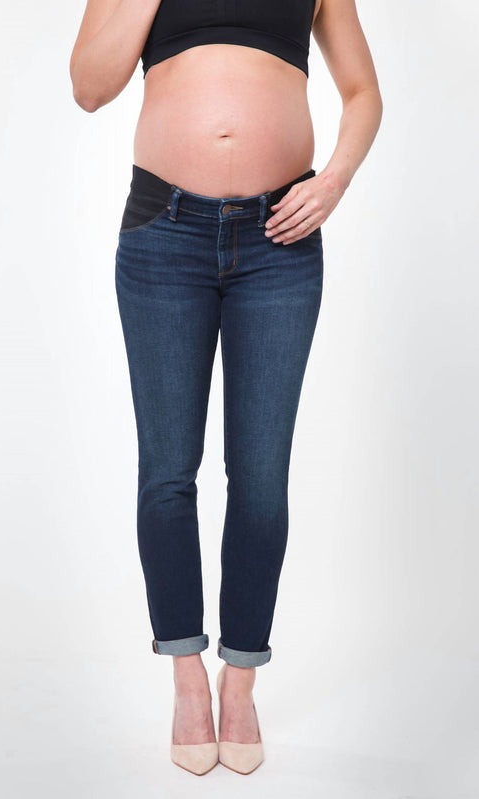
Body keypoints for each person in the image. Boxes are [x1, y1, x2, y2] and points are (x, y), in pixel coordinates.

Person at [70, 0, 383, 776]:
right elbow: (89, 87)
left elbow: (361, 91)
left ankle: (239, 681)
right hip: (163, 236)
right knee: (166, 474)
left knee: (262, 479)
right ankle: (186, 679)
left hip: (280, 243)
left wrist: (334, 181)